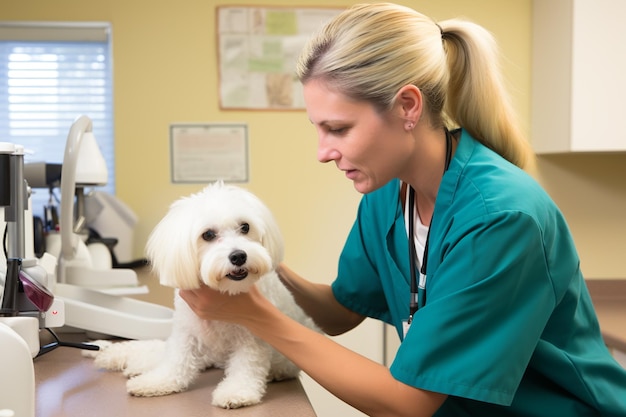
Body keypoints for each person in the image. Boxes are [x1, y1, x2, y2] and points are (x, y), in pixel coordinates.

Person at [180, 3, 626, 416]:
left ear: (407, 107)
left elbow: (409, 404)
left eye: (338, 128)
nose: (323, 152)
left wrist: (256, 316)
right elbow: (339, 313)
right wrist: (259, 263)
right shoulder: (388, 193)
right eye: (319, 129)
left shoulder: (500, 218)